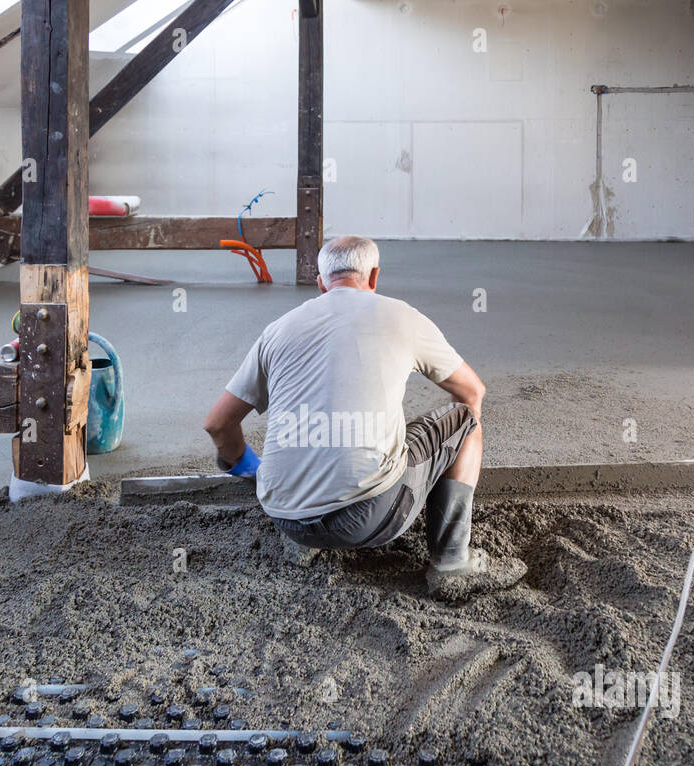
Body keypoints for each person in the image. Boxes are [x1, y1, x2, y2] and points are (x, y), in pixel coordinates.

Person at [204, 235, 525, 597]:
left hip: (285, 517)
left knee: (313, 432)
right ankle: (452, 561)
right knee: (465, 419)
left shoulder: (277, 330)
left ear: (320, 282)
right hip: (370, 519)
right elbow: (472, 392)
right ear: (374, 277)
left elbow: (218, 424)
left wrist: (243, 464)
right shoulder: (403, 317)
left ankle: (308, 541)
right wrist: (439, 472)